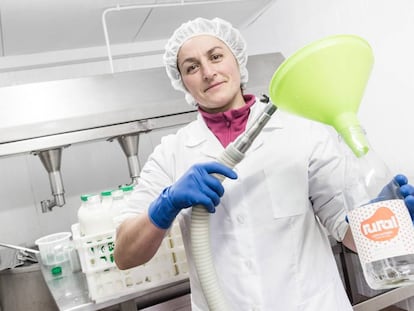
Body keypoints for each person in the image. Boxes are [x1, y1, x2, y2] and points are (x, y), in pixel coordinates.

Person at [114, 17, 414, 310]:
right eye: (192, 67)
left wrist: (383, 224)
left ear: (237, 61)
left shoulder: (303, 130)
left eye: (216, 56)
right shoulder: (171, 153)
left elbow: (344, 229)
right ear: (183, 82)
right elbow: (125, 255)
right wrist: (165, 204)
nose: (207, 72)